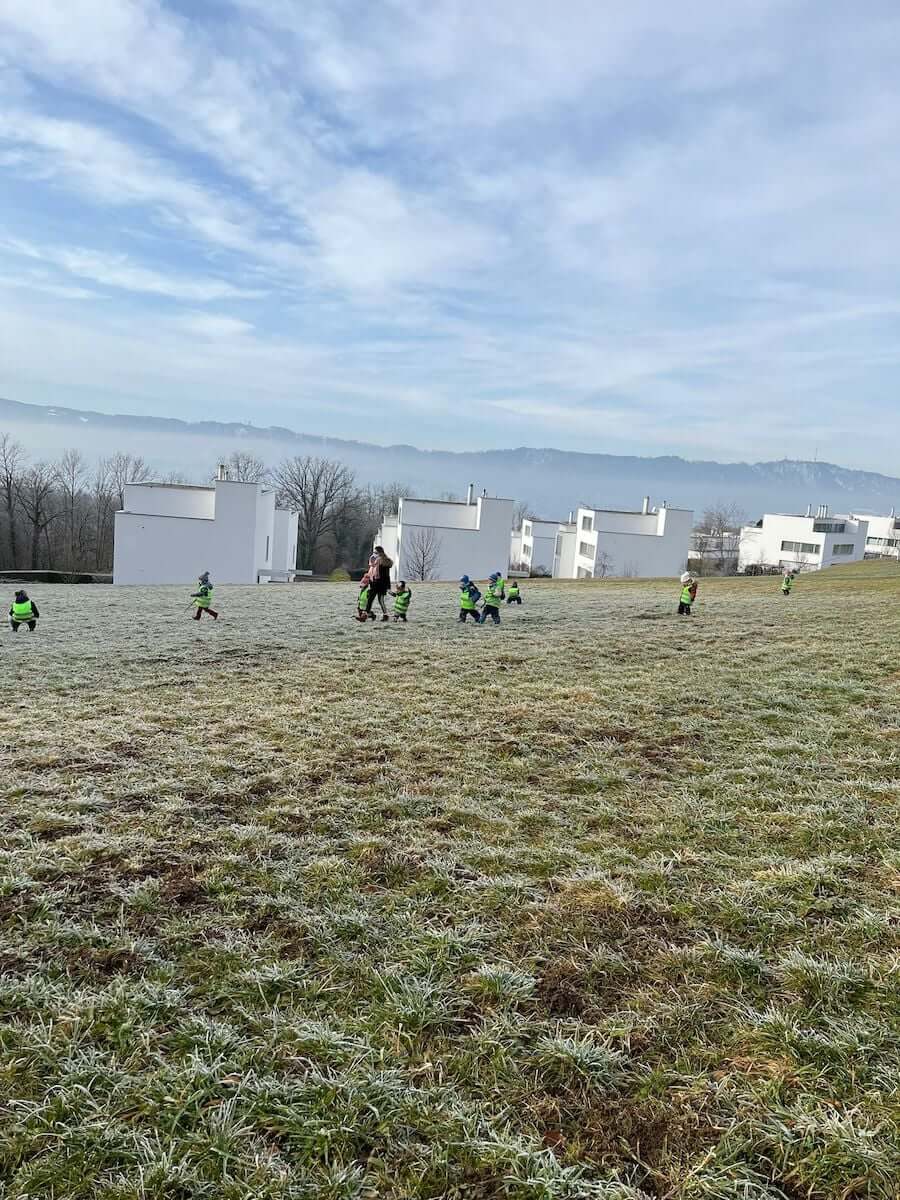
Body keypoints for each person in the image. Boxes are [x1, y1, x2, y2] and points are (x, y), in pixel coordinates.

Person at [365, 545, 393, 622]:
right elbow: (371, 574)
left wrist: (388, 587)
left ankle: (385, 615)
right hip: (374, 584)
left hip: (381, 585)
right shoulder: (374, 563)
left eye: (376, 552)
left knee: (381, 601)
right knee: (370, 599)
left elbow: (387, 576)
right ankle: (365, 614)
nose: (374, 554)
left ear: (380, 553)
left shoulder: (383, 563)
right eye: (374, 552)